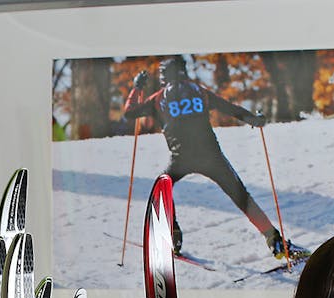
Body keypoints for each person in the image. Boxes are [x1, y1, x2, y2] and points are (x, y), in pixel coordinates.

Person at [122, 55, 306, 261]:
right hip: (212, 156)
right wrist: (254, 119)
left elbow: (129, 114)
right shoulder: (199, 92)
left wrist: (137, 88)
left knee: (161, 189)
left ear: (164, 76)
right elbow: (230, 108)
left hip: (181, 158)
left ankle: (173, 235)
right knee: (241, 197)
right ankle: (275, 241)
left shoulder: (159, 98)